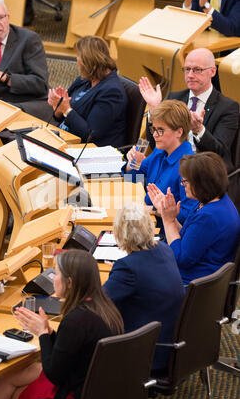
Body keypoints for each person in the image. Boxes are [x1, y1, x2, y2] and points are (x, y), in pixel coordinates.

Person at [0, 250, 124, 399]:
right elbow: (73, 348)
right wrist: (49, 333)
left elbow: (54, 374)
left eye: (56, 274)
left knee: (9, 388)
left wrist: (42, 333)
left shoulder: (76, 320)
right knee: (9, 379)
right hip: (93, 386)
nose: (53, 279)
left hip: (72, 393)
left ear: (69, 282)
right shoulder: (106, 307)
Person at [103, 203, 185, 373]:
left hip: (146, 353)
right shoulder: (164, 249)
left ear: (120, 234)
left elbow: (97, 302)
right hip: (171, 345)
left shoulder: (127, 269)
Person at [140, 48, 239, 173]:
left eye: (197, 70)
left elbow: (219, 152)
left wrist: (199, 130)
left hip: (204, 174)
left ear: (212, 71)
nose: (190, 75)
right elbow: (156, 143)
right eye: (187, 69)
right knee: (132, 175)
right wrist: (154, 109)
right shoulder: (174, 98)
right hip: (172, 167)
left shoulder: (227, 107)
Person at [150, 152, 240, 284]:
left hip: (192, 287)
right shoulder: (214, 202)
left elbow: (180, 258)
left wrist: (168, 220)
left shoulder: (208, 216)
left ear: (201, 183)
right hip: (199, 281)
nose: (182, 185)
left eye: (185, 181)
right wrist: (169, 214)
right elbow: (189, 237)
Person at [122, 99, 198, 227]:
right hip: (147, 220)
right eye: (154, 129)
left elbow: (187, 215)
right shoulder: (159, 151)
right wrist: (134, 161)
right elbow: (132, 180)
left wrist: (154, 210)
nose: (155, 135)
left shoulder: (189, 166)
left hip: (165, 231)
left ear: (179, 132)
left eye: (161, 130)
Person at [47, 35, 127, 148]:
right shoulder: (84, 80)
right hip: (64, 138)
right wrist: (58, 108)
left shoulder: (112, 92)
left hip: (88, 151)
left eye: (79, 56)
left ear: (88, 61)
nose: (77, 60)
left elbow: (90, 134)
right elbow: (63, 116)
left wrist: (66, 110)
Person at [175, 0, 240, 37]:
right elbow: (192, 24)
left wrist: (206, 6)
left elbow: (232, 28)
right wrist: (188, 2)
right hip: (204, 44)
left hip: (230, 48)